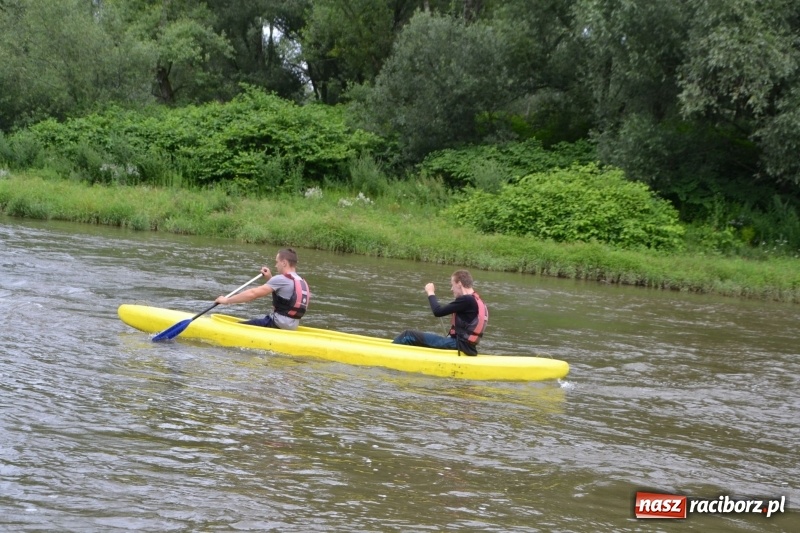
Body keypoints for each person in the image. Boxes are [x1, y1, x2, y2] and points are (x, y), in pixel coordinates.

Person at [392, 270, 488, 356]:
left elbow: (437, 312)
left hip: (458, 345)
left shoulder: (467, 300)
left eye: (452, 285)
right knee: (414, 338)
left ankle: (389, 353)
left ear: (459, 283)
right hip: (467, 347)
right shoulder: (476, 300)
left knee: (408, 335)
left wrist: (430, 292)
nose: (451, 289)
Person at [214, 248, 310, 330]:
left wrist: (226, 300)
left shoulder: (281, 279)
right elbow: (285, 297)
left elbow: (252, 294)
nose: (276, 265)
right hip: (292, 326)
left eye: (277, 262)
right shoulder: (302, 282)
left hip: (277, 323)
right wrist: (270, 278)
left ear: (284, 263)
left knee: (239, 327)